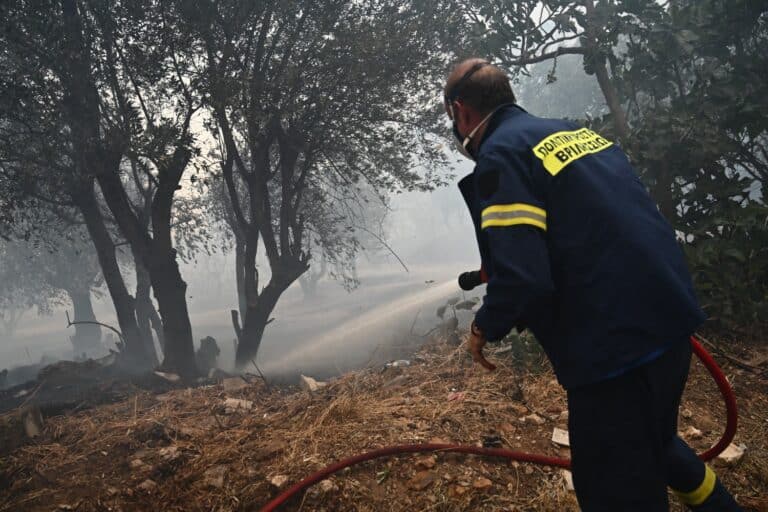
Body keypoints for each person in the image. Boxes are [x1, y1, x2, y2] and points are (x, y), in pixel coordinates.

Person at [446, 58, 741, 511]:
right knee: (657, 443)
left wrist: (486, 324)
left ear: (461, 111)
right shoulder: (571, 132)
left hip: (615, 354)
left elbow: (523, 275)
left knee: (614, 489)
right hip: (668, 321)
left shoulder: (501, 154)